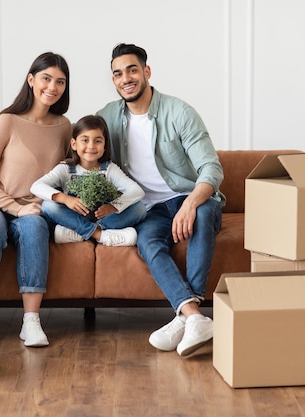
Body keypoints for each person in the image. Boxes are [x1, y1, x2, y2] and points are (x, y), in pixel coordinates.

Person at [96, 43, 225, 357]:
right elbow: (84, 152)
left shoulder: (179, 111)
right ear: (113, 80)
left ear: (146, 72)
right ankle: (194, 317)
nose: (125, 78)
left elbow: (211, 167)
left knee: (204, 214)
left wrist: (190, 204)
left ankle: (185, 315)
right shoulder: (107, 117)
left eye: (132, 70)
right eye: (117, 74)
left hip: (189, 197)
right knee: (148, 242)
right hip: (149, 209)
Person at [0, 52, 72, 348]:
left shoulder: (64, 126)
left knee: (36, 227)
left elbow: (65, 173)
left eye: (60, 82)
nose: (53, 87)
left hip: (33, 208)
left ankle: (31, 321)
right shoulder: (6, 122)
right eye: (46, 78)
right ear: (31, 80)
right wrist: (16, 207)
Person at [31, 115, 146, 246]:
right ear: (74, 144)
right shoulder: (66, 168)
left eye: (98, 141)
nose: (91, 146)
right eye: (85, 140)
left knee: (140, 208)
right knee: (48, 206)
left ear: (104, 145)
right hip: (75, 217)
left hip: (102, 218)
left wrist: (112, 207)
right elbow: (36, 186)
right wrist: (66, 199)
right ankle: (99, 234)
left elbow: (137, 191)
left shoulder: (109, 169)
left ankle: (79, 232)